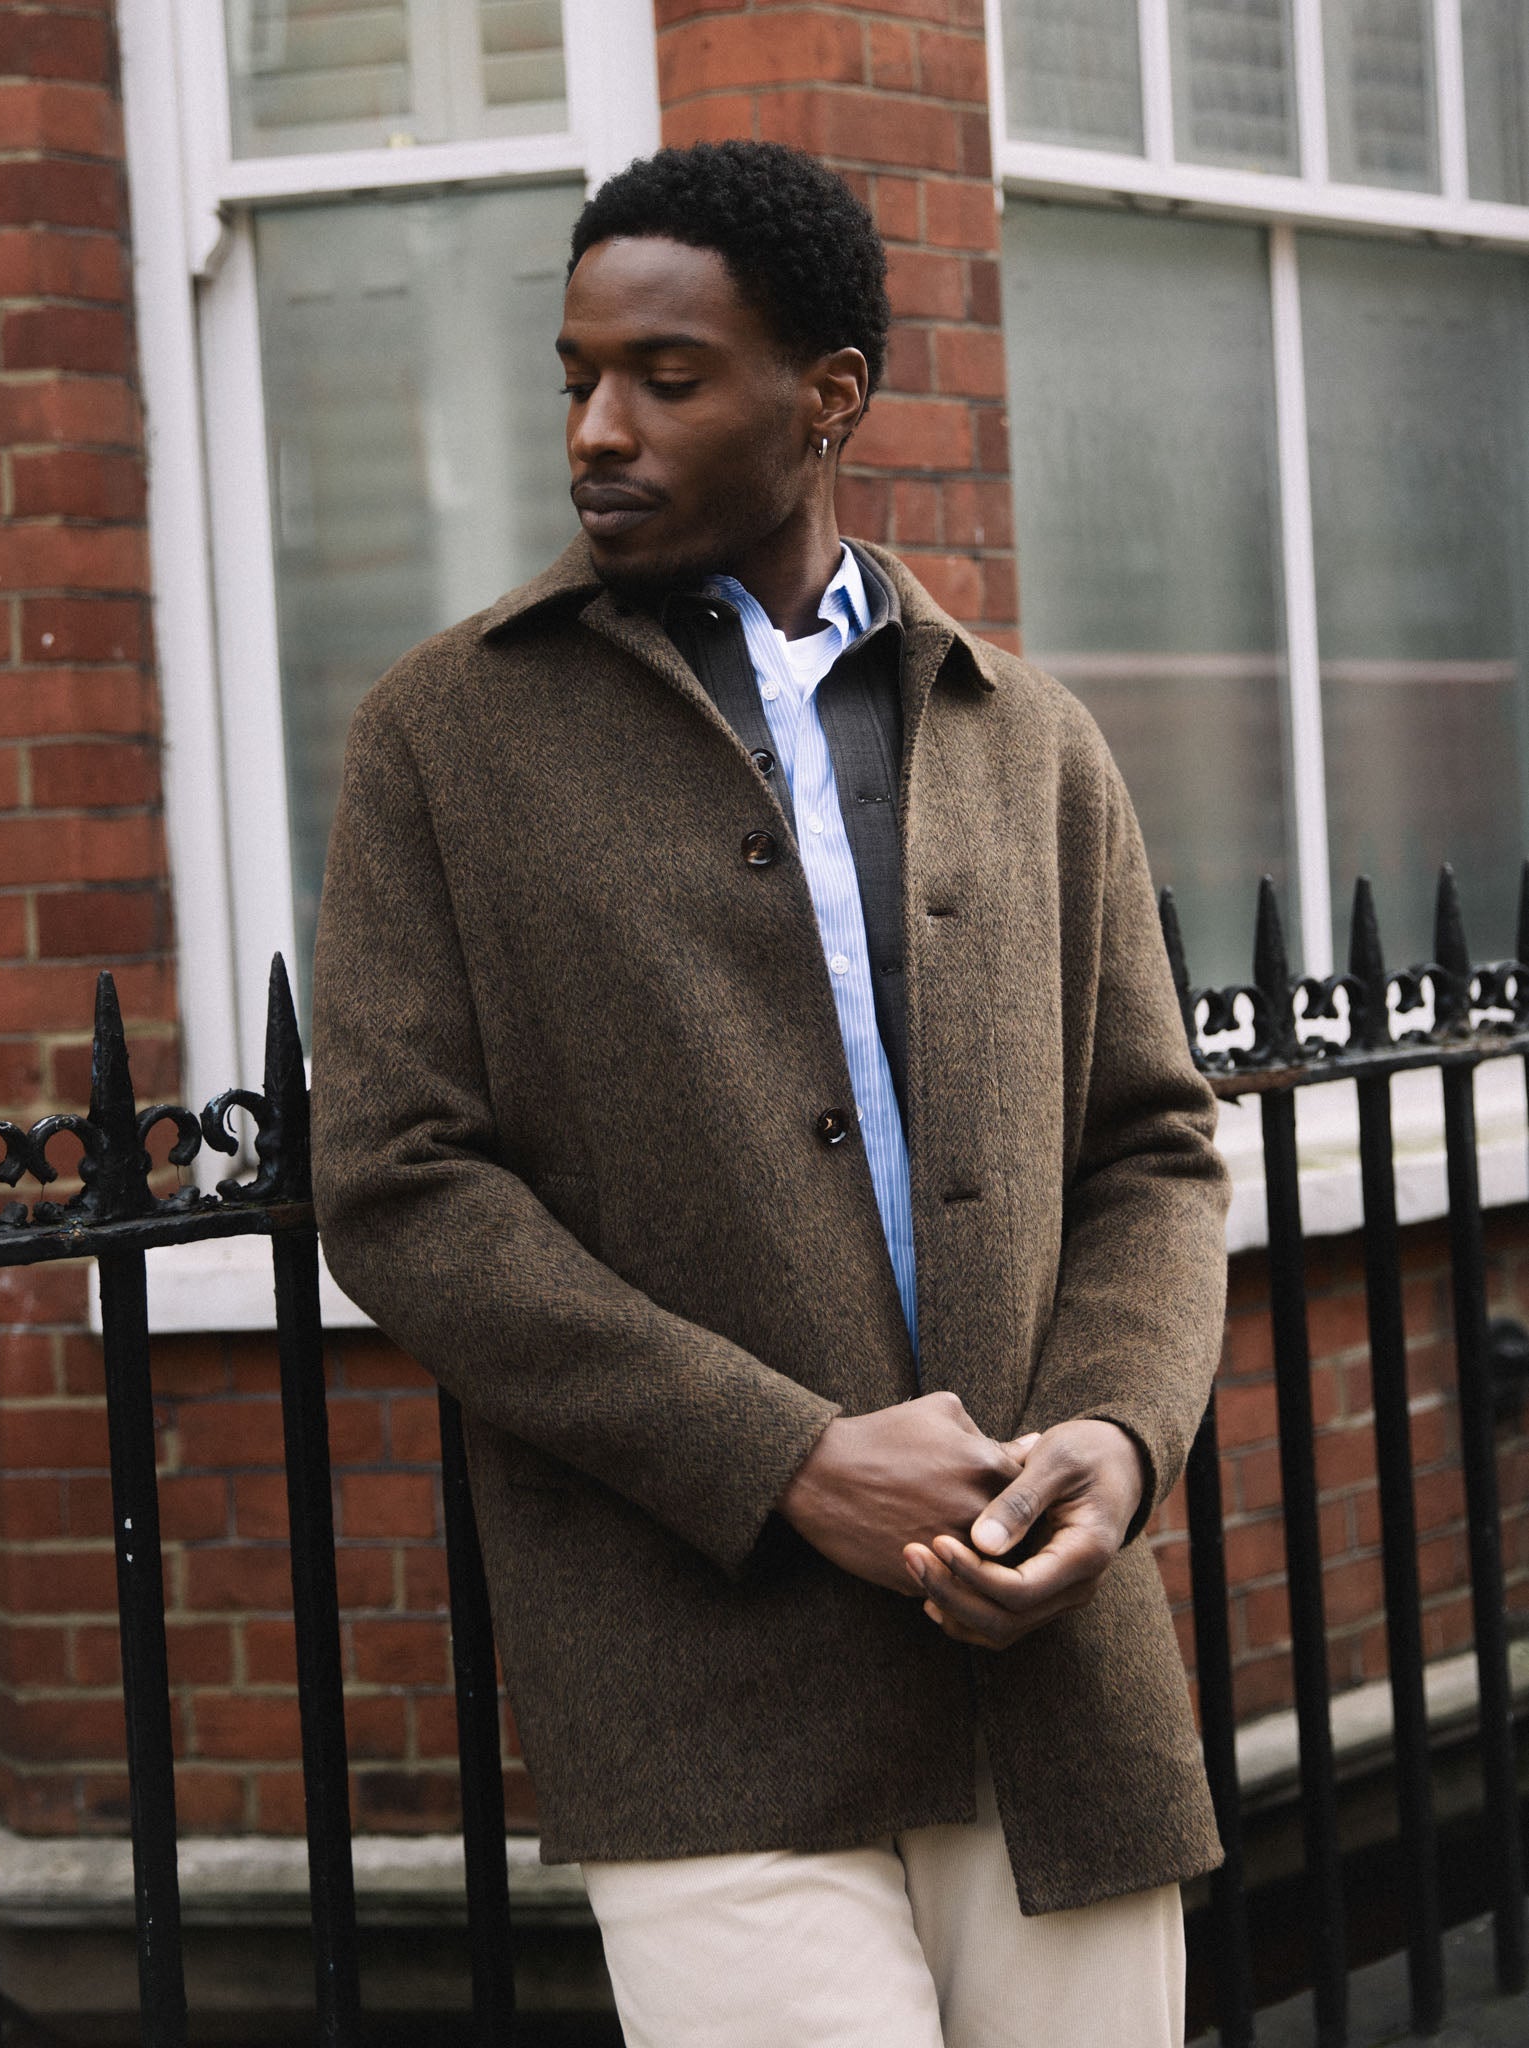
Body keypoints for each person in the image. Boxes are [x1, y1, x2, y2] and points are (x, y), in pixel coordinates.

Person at [312, 139, 1230, 2048]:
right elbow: (401, 1183)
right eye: (577, 377)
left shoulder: (1027, 736)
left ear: (827, 398)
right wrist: (785, 1456)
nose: (598, 430)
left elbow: (1151, 1144)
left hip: (1041, 1656)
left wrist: (1118, 1433)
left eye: (666, 377)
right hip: (694, 1672)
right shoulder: (444, 734)